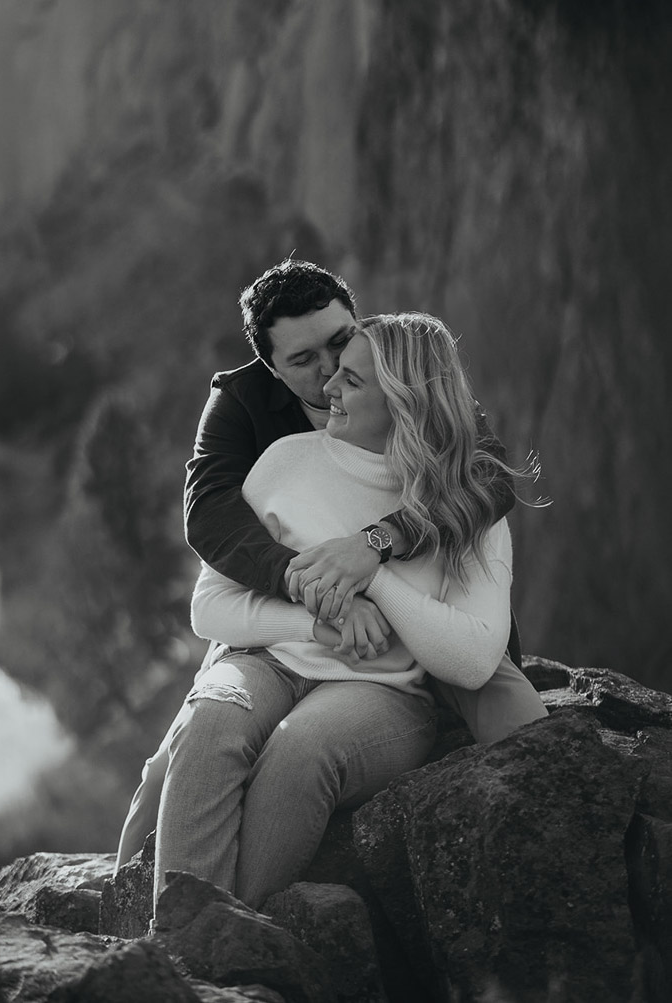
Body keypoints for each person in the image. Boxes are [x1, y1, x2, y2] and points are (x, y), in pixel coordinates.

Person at [114, 260, 540, 869]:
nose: (328, 373)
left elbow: (488, 483)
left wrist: (376, 545)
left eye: (340, 343)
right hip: (287, 593)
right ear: (272, 367)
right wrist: (309, 586)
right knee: (184, 753)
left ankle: (556, 816)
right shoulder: (244, 412)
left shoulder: (405, 372)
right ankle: (127, 915)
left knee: (497, 692)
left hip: (408, 601)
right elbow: (209, 516)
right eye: (303, 361)